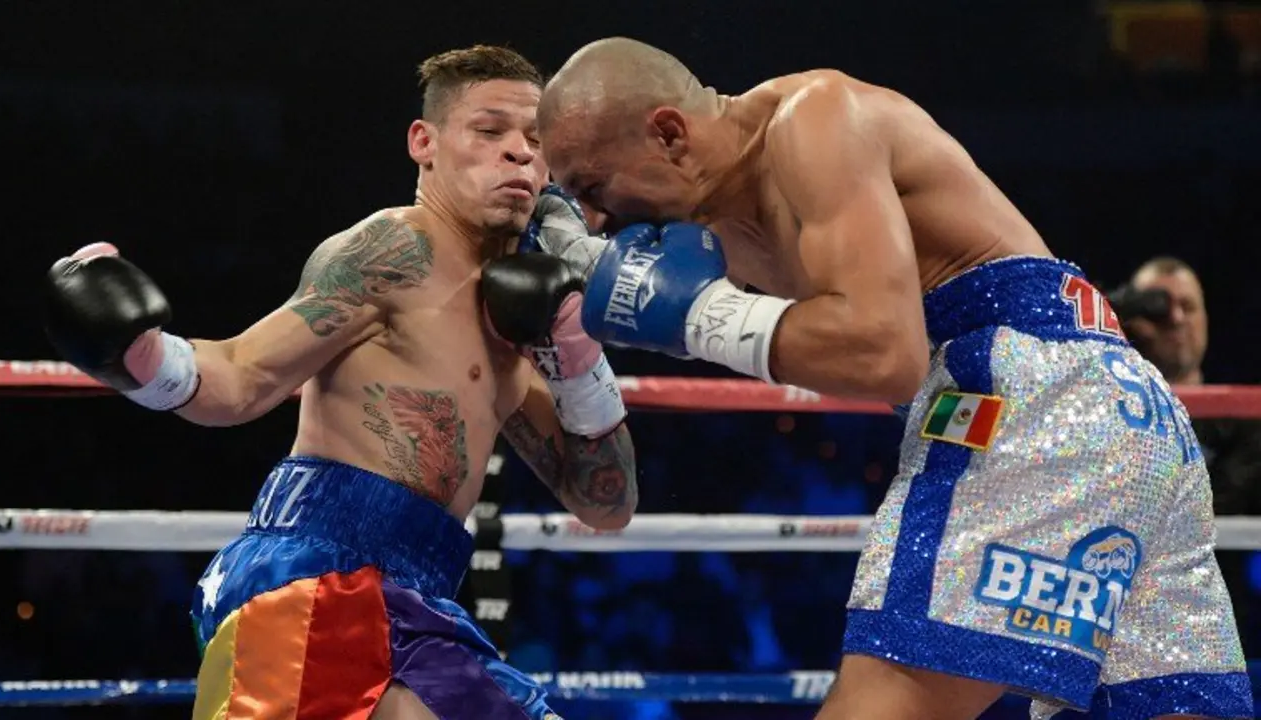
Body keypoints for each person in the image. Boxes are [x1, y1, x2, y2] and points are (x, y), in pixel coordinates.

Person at [536, 37, 1253, 720]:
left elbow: (885, 353)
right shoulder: (714, 228)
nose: (597, 218)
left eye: (594, 187)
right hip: (1126, 417)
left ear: (668, 133)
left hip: (1021, 398)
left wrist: (699, 317)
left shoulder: (813, 121)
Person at [42, 44, 636, 720]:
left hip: (421, 598)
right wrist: (146, 358)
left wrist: (577, 357)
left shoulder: (524, 314)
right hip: (320, 576)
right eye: (490, 130)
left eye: (535, 139)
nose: (519, 154)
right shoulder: (393, 250)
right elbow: (241, 378)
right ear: (426, 142)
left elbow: (603, 503)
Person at [1119, 256, 1261, 656]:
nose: (1177, 318)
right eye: (1159, 307)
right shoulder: (1104, 418)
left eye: (1189, 306)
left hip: (1233, 637)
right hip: (1123, 636)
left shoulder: (1247, 424)